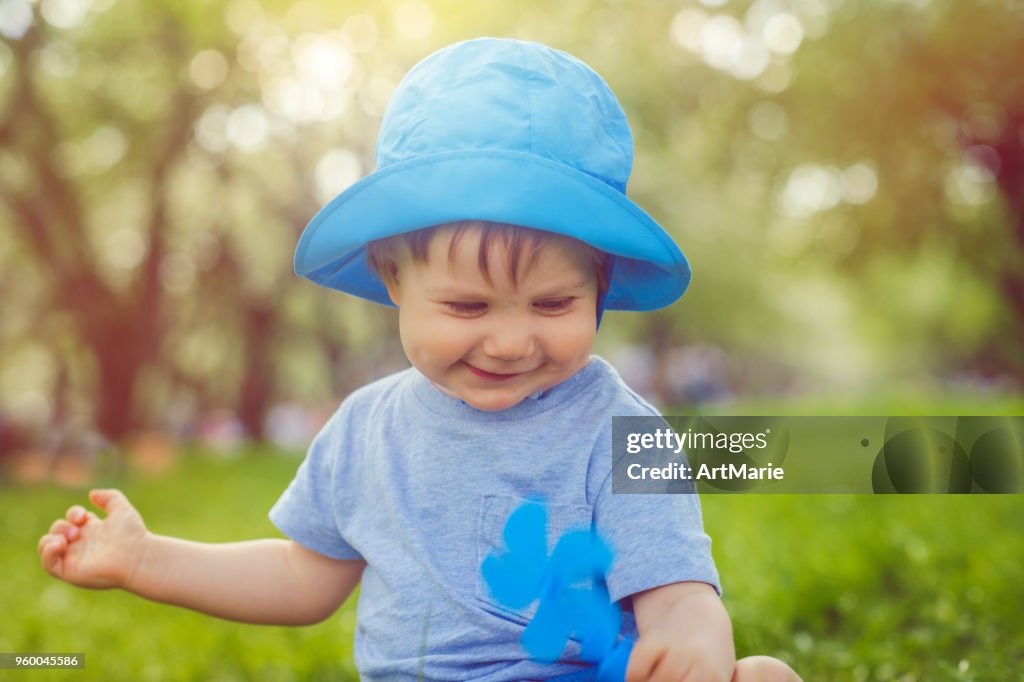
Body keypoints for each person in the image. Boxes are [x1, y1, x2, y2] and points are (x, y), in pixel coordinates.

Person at [39, 38, 801, 682]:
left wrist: (694, 637)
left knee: (759, 677)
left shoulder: (622, 430)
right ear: (393, 279)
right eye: (467, 307)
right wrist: (148, 562)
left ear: (600, 290)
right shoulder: (366, 429)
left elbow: (673, 588)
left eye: (553, 305)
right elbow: (304, 576)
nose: (509, 341)